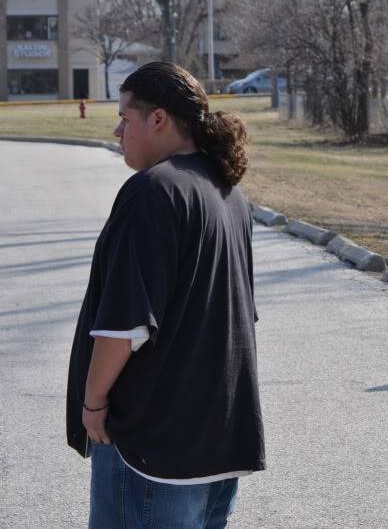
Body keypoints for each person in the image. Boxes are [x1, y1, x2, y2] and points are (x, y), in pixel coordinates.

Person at [66, 61, 264, 528]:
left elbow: (124, 325)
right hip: (221, 436)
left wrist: (93, 405)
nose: (118, 131)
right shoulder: (229, 194)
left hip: (154, 446)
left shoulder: (152, 192)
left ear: (158, 119)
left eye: (125, 118)